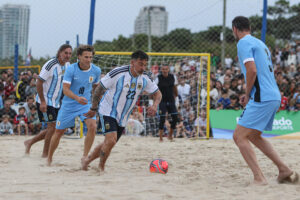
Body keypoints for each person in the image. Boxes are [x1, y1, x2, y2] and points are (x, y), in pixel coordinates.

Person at [232, 16, 298, 185]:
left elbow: (252, 70)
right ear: (249, 27)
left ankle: (259, 178)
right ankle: (284, 169)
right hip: (273, 95)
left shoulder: (243, 43)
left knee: (239, 137)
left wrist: (247, 94)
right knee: (254, 136)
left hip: (262, 96)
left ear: (235, 29)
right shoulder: (261, 44)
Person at [81, 50, 162, 171]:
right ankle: (100, 168)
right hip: (107, 110)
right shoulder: (118, 72)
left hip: (123, 116)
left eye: (145, 65)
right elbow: (98, 89)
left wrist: (155, 105)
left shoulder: (145, 77)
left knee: (109, 143)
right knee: (111, 140)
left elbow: (158, 94)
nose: (143, 67)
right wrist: (94, 108)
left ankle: (87, 161)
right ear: (132, 62)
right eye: (140, 64)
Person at [47, 45, 101, 166]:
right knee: (59, 132)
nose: (88, 59)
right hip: (69, 104)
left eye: (90, 57)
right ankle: (49, 158)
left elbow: (96, 89)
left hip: (85, 104)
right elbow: (65, 90)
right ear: (79, 57)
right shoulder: (71, 69)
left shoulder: (96, 70)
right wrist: (77, 98)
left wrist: (95, 105)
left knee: (92, 126)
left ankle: (85, 157)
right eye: (86, 57)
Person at [24, 44, 72, 157]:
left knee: (58, 128)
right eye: (66, 53)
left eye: (70, 53)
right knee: (52, 127)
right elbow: (39, 82)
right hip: (45, 100)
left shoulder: (68, 65)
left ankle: (30, 142)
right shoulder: (51, 64)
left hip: (57, 102)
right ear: (60, 53)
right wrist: (43, 101)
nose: (68, 55)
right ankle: (45, 154)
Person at [155, 64, 178, 141]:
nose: (165, 70)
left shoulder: (173, 77)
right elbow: (154, 90)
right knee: (162, 118)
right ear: (161, 70)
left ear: (168, 70)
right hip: (162, 101)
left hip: (171, 100)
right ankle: (161, 138)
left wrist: (177, 97)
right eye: (163, 69)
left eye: (166, 69)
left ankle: (170, 135)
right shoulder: (158, 78)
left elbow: (175, 87)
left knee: (175, 117)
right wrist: (154, 100)